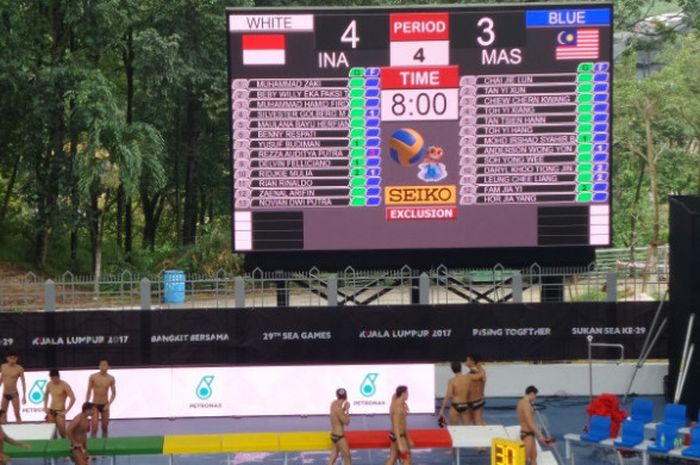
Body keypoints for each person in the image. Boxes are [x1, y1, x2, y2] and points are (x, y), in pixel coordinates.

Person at [517, 385, 549, 465]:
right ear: (531, 393)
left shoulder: (521, 402)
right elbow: (530, 423)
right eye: (535, 396)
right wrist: (540, 435)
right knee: (523, 460)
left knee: (534, 457)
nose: (535, 398)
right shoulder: (526, 405)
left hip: (528, 433)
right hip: (527, 434)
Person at [85, 360, 116, 438]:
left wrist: (109, 404)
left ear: (108, 367)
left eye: (105, 365)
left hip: (105, 404)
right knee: (94, 428)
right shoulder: (93, 377)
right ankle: (93, 445)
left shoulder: (111, 378)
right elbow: (89, 391)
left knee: (105, 428)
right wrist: (87, 403)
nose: (103, 367)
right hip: (95, 405)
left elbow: (113, 393)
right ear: (99, 366)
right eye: (101, 365)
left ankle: (104, 446)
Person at [43, 369, 76, 438]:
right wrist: (45, 406)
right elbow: (46, 395)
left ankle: (66, 447)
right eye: (51, 378)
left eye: (54, 379)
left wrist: (66, 411)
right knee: (52, 433)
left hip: (60, 411)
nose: (53, 380)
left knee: (62, 433)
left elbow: (73, 398)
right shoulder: (49, 384)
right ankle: (53, 447)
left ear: (58, 377)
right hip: (51, 410)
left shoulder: (64, 385)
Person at [385, 385, 412, 465]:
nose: (408, 395)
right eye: (407, 393)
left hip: (395, 435)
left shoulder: (395, 402)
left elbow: (402, 423)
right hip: (398, 436)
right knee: (407, 460)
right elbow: (396, 426)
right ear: (403, 393)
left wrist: (408, 438)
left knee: (392, 458)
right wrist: (400, 443)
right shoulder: (398, 408)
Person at [0, 354, 27, 423]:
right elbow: (2, 378)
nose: (12, 360)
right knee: (2, 416)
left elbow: (23, 382)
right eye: (10, 358)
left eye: (14, 358)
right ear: (7, 358)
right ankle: (3, 433)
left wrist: (24, 396)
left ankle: (19, 432)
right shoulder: (3, 366)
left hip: (14, 394)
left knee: (17, 414)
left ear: (16, 358)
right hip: (5, 394)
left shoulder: (19, 368)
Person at [328, 388, 351, 465]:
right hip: (339, 437)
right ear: (346, 397)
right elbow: (346, 422)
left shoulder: (333, 404)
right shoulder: (339, 409)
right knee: (348, 459)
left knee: (333, 457)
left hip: (333, 435)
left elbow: (338, 415)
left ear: (337, 396)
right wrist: (347, 410)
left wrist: (344, 408)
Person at [465, 354, 487, 426]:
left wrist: (478, 368)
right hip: (470, 401)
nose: (466, 362)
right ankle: (487, 432)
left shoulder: (480, 371)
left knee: (477, 421)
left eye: (467, 360)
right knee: (475, 420)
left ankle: (487, 434)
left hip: (477, 400)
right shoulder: (471, 371)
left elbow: (483, 378)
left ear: (472, 362)